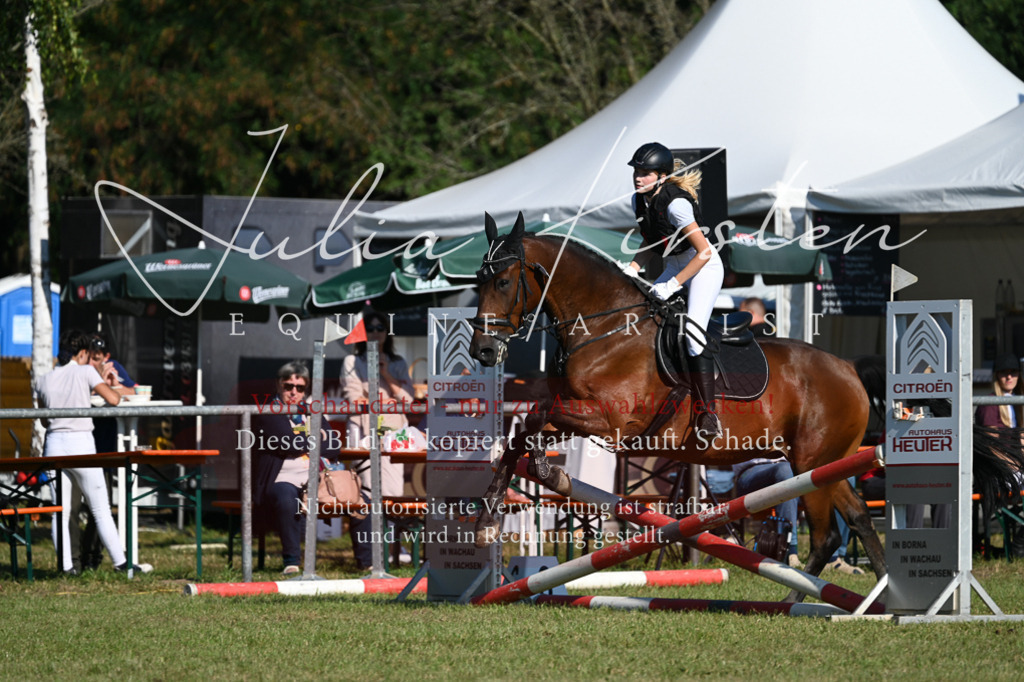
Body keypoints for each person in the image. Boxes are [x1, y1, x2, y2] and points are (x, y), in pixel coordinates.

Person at [621, 142, 725, 443]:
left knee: (693, 335)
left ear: (662, 176)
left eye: (645, 173)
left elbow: (704, 252)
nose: (638, 178)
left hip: (703, 268)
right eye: (636, 172)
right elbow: (649, 243)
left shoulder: (676, 204)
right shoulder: (638, 201)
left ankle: (708, 413)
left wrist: (672, 283)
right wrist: (632, 269)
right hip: (675, 265)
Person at [33, 329, 149, 575]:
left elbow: (44, 421)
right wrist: (113, 387)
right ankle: (121, 563)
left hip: (54, 444)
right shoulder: (85, 371)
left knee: (60, 511)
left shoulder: (42, 379)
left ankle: (66, 568)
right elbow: (114, 400)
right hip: (81, 444)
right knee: (100, 508)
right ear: (82, 353)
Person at [251, 360, 342, 575]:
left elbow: (334, 445)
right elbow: (285, 442)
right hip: (279, 480)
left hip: (316, 478)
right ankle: (291, 561)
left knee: (362, 499)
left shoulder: (311, 411)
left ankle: (367, 562)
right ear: (278, 385)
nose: (294, 392)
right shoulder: (269, 410)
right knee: (287, 495)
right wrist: (314, 437)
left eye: (300, 388)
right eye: (288, 386)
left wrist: (307, 440)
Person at [343, 310, 415, 569]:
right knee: (365, 491)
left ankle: (391, 548)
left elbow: (407, 400)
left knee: (392, 493)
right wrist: (386, 400)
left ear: (387, 333)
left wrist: (386, 375)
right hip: (362, 431)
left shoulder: (397, 362)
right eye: (370, 328)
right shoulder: (352, 362)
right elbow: (354, 399)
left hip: (393, 432)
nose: (375, 332)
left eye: (380, 328)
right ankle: (368, 554)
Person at [732, 457, 801, 567]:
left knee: (832, 469)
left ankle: (833, 557)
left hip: (792, 468)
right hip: (752, 471)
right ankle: (788, 552)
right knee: (786, 472)